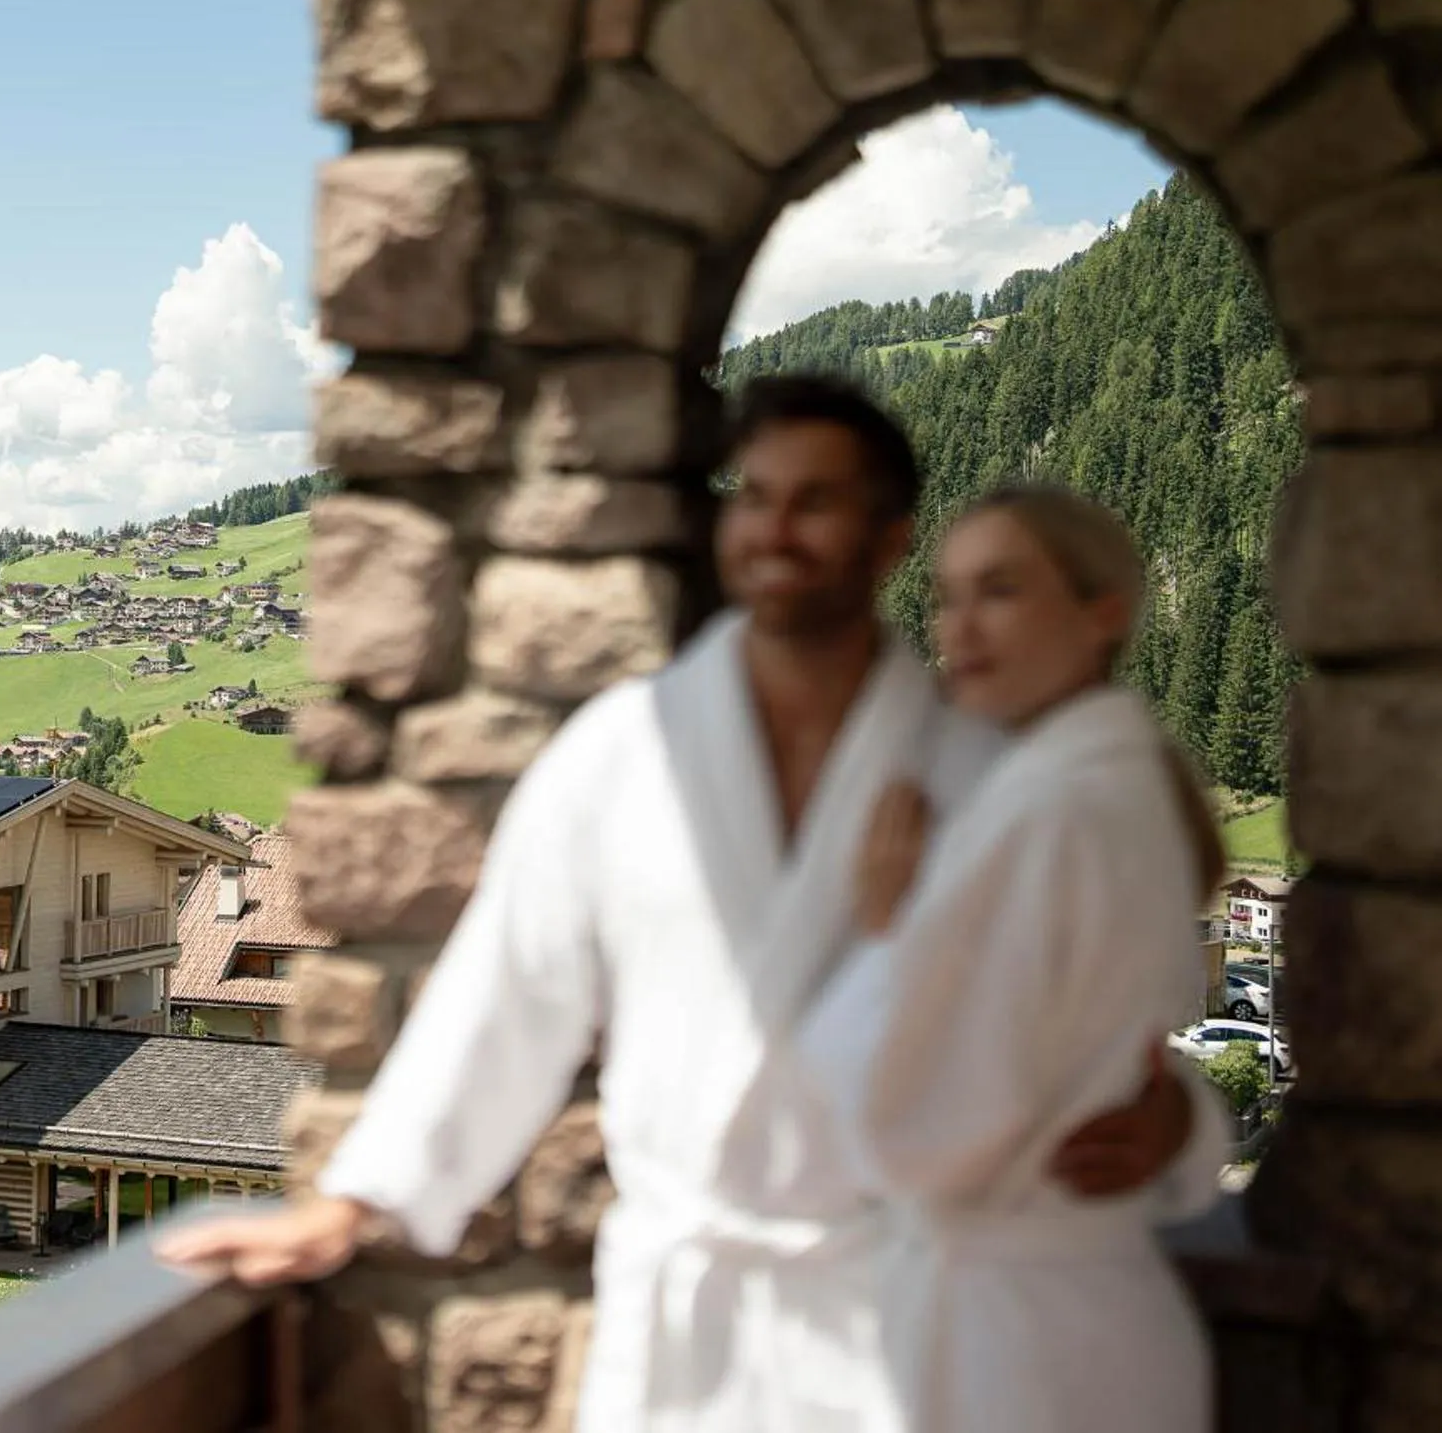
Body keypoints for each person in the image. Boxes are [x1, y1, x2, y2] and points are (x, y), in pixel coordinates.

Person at [158, 376, 1226, 1433]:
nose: (775, 528)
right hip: (686, 1306)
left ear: (890, 537)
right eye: (754, 495)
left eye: (815, 500)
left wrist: (1176, 1123)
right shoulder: (623, 751)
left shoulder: (974, 767)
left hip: (900, 1309)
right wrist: (356, 1202)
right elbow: (505, 993)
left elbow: (1074, 1019)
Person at [796, 486, 1221, 1433]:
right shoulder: (1111, 791)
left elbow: (912, 1130)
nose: (960, 627)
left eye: (1001, 589)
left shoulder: (1047, 815)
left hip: (1010, 1354)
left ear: (1101, 612)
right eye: (945, 595)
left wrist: (885, 932)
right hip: (1080, 1318)